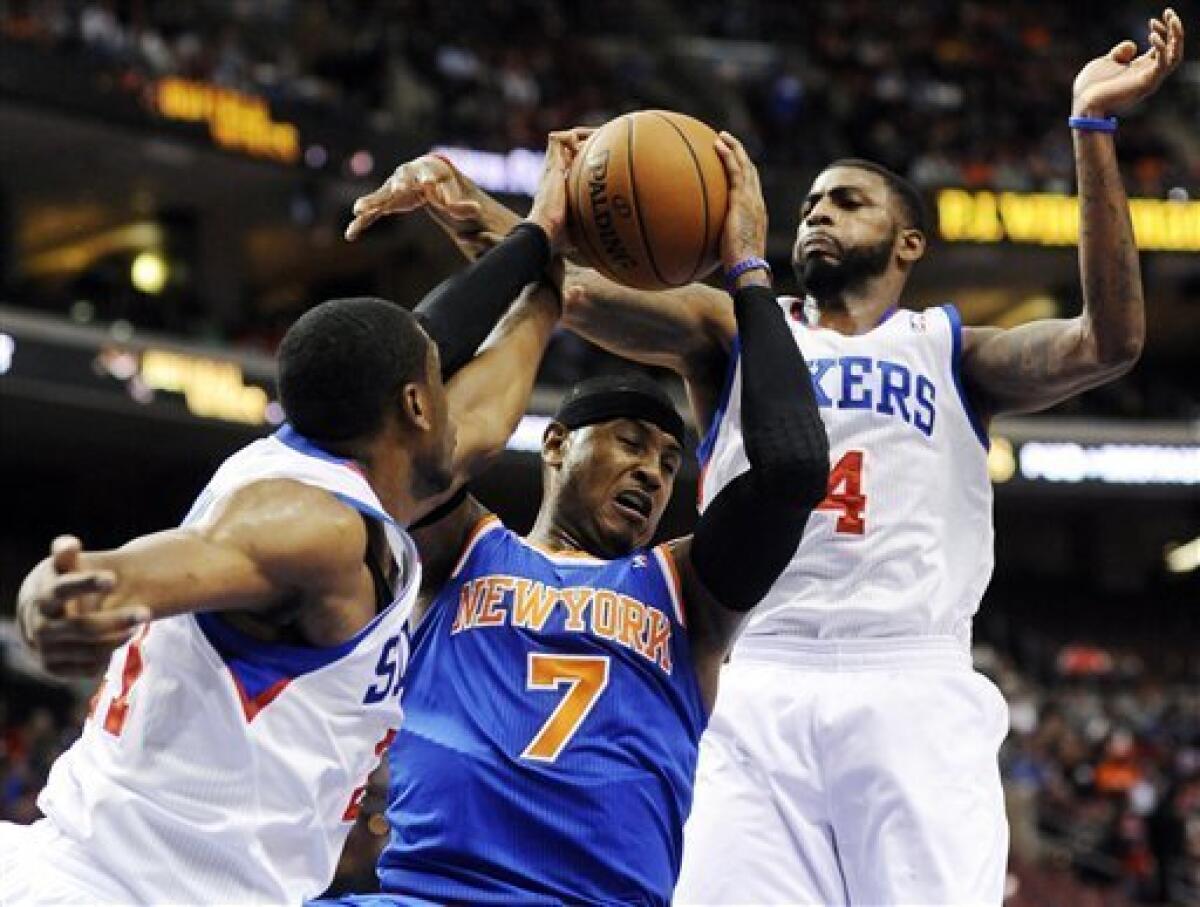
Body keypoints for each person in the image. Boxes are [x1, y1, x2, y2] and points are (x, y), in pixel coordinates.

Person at [349, 12, 1185, 903]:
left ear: (909, 244)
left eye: (848, 201)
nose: (819, 212)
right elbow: (575, 294)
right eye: (812, 202)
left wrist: (1092, 130)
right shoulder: (737, 330)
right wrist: (477, 209)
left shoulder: (952, 350)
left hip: (906, 673)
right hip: (756, 672)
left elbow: (1109, 341)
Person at [0, 130, 588, 906]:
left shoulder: (361, 466)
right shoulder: (316, 524)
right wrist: (67, 592)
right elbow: (177, 559)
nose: (458, 401)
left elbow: (466, 405)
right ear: (415, 405)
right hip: (117, 888)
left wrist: (545, 249)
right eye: (438, 386)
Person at [314, 130, 828, 905]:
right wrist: (537, 236)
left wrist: (749, 269)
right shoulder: (461, 546)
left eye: (666, 461)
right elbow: (396, 393)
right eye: (630, 443)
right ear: (556, 445)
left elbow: (791, 470)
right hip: (423, 891)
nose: (652, 472)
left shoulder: (687, 586)